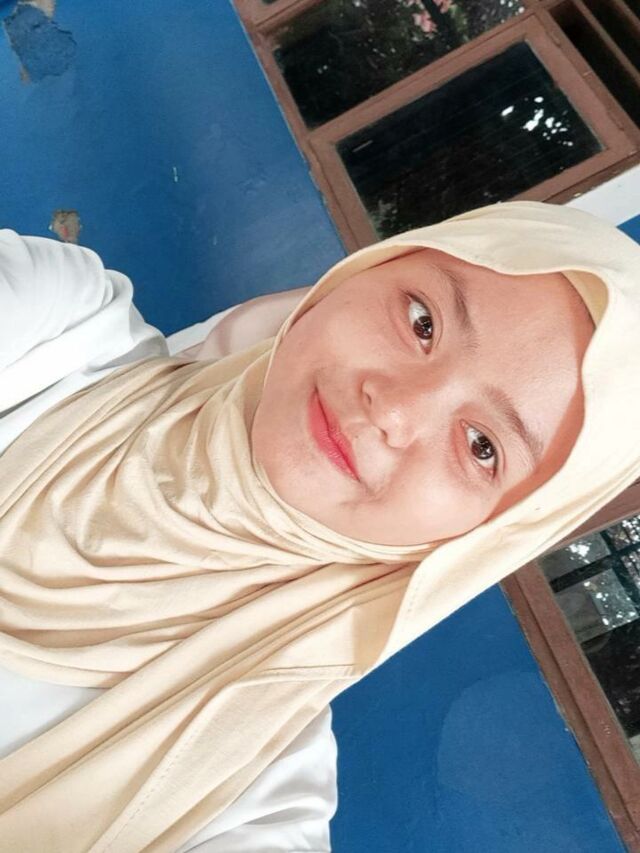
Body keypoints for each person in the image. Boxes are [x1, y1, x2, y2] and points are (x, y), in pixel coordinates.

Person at [0, 200, 638, 852]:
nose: (395, 408)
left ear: (483, 539)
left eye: (483, 447)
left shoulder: (243, 804)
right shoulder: (56, 322)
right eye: (422, 322)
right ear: (362, 272)